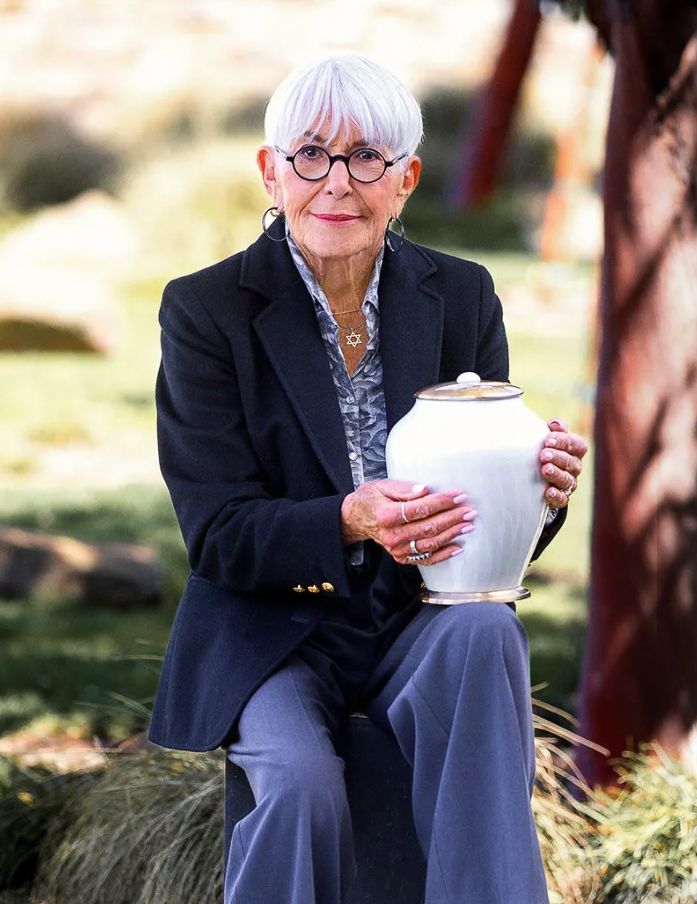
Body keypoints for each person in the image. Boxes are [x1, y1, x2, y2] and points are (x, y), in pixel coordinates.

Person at [148, 53, 587, 904]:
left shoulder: (459, 294)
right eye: (310, 155)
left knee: (487, 632)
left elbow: (488, 527)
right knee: (302, 789)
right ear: (270, 172)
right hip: (271, 634)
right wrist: (349, 517)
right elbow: (219, 533)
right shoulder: (205, 310)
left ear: (406, 177)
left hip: (417, 613)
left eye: (366, 157)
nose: (336, 183)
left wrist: (539, 490)